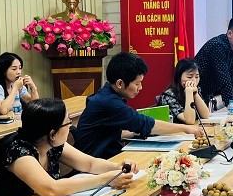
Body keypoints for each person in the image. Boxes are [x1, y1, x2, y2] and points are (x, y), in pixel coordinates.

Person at [0, 98, 135, 196]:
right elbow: (51, 189)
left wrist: (117, 167)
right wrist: (105, 179)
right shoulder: (18, 152)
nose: (70, 126)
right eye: (67, 122)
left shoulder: (50, 143)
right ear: (52, 133)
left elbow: (89, 163)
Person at [72, 52, 203, 159]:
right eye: (137, 83)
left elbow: (116, 132)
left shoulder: (107, 95)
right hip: (94, 164)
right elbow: (144, 123)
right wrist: (186, 129)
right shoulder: (109, 102)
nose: (140, 88)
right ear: (120, 83)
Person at [194, 16, 233, 106]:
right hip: (196, 92)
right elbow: (224, 78)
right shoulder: (218, 46)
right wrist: (231, 104)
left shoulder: (231, 48)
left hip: (206, 92)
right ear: (230, 33)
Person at [157, 59, 210, 125]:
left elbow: (205, 115)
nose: (194, 80)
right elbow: (189, 121)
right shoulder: (169, 95)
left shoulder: (195, 89)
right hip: (175, 130)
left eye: (197, 77)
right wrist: (189, 93)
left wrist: (196, 94)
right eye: (189, 77)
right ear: (179, 77)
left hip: (192, 129)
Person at [0, 52, 39, 117]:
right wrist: (15, 88)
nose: (18, 72)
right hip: (0, 123)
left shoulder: (18, 85)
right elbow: (3, 110)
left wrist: (33, 87)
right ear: (3, 71)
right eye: (14, 69)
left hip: (18, 121)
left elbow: (34, 105)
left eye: (20, 68)